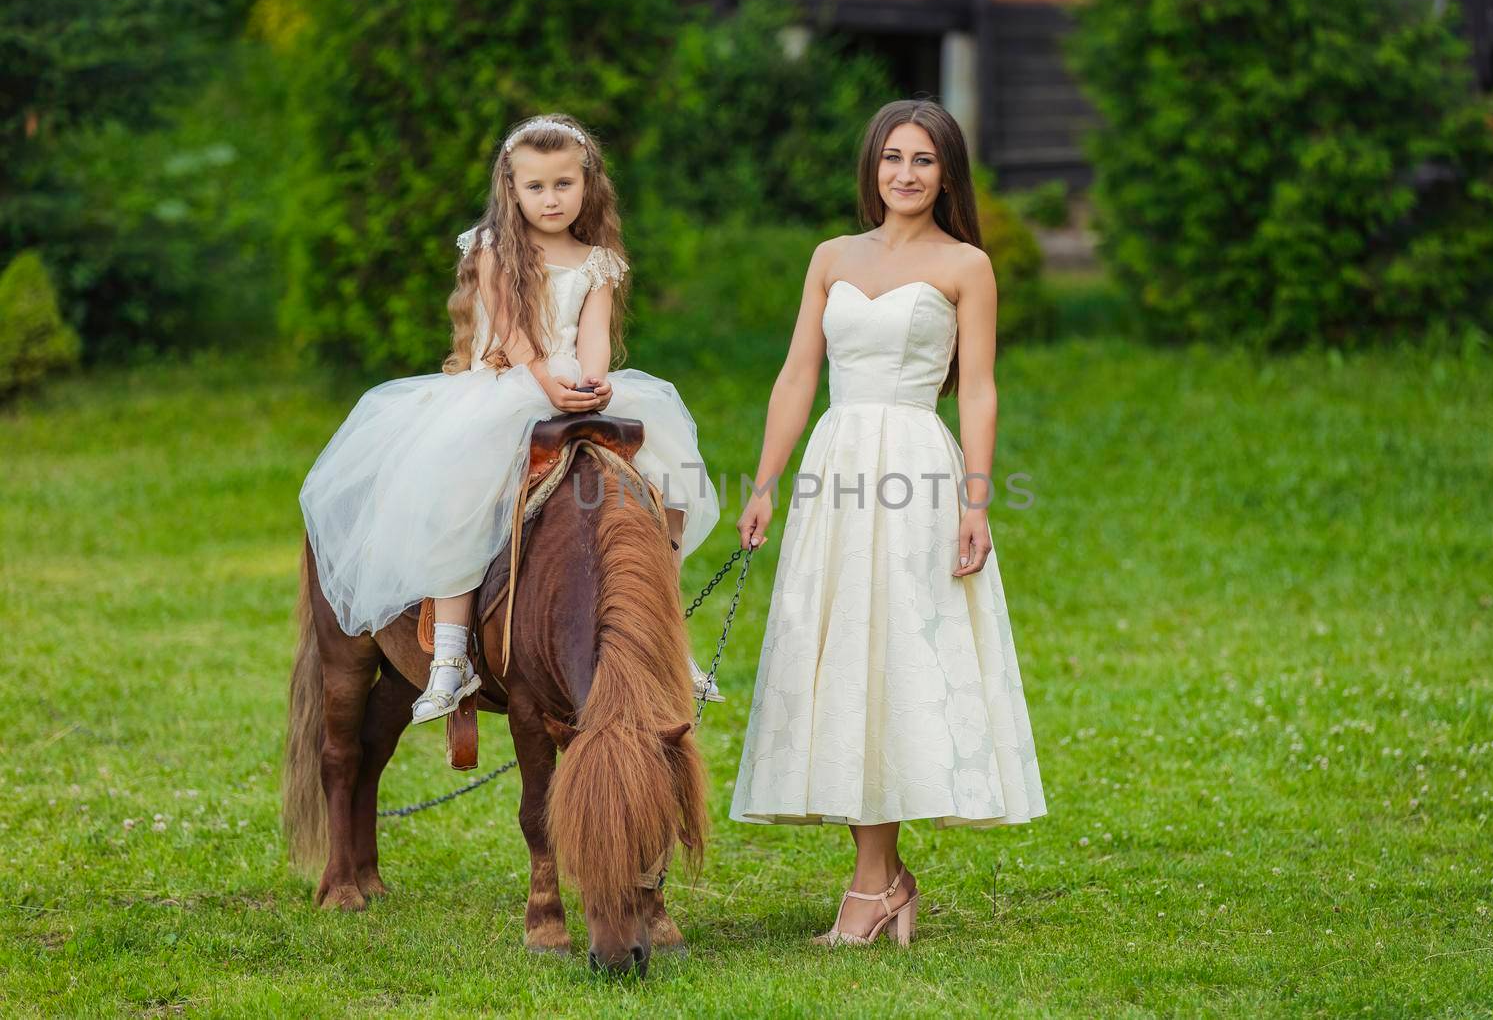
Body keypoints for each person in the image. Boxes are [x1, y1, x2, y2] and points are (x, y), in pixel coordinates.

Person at [730, 99, 1047, 946]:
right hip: (835, 469)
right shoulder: (831, 256)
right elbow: (798, 375)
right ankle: (884, 879)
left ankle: (874, 887)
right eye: (892, 158)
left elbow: (976, 387)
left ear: (948, 174)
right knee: (839, 657)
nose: (905, 173)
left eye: (924, 161)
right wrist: (763, 483)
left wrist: (977, 499)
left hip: (915, 469)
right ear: (873, 166)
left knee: (899, 656)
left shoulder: (967, 266)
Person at [298, 114, 721, 725]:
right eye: (536, 187)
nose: (551, 199)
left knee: (667, 482)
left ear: (587, 185)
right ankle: (448, 652)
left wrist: (594, 381)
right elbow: (517, 335)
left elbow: (595, 334)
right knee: (460, 486)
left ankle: (665, 636)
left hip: (576, 385)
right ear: (512, 189)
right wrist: (547, 380)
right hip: (507, 384)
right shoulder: (495, 250)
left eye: (563, 184)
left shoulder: (598, 261)